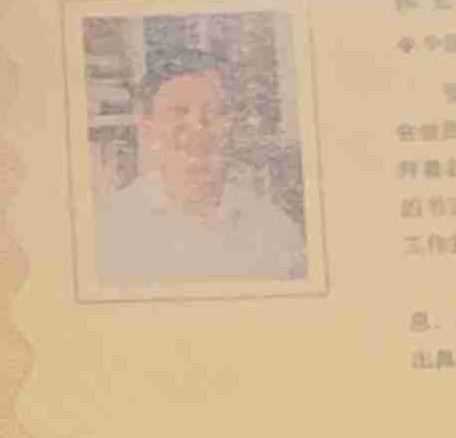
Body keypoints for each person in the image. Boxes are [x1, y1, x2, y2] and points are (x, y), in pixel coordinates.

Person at [97, 52, 308, 284]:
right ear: (147, 127)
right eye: (179, 112)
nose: (198, 128)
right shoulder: (107, 230)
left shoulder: (277, 231)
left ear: (232, 125)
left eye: (214, 112)